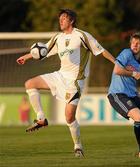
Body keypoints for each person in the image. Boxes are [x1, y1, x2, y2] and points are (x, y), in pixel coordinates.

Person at [16, 9, 115, 157]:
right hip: (60, 76)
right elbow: (42, 50)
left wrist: (116, 62)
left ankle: (78, 146)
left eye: (64, 18)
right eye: (60, 18)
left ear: (72, 21)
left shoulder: (82, 35)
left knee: (68, 117)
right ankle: (41, 118)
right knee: (30, 83)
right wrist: (26, 56)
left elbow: (101, 51)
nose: (60, 21)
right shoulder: (58, 38)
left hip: (75, 81)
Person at [107, 32, 140, 159]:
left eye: (138, 43)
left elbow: (129, 83)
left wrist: (139, 94)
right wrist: (133, 74)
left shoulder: (138, 63)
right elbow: (117, 70)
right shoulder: (126, 53)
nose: (134, 45)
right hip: (117, 95)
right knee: (139, 117)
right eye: (133, 42)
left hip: (131, 95)